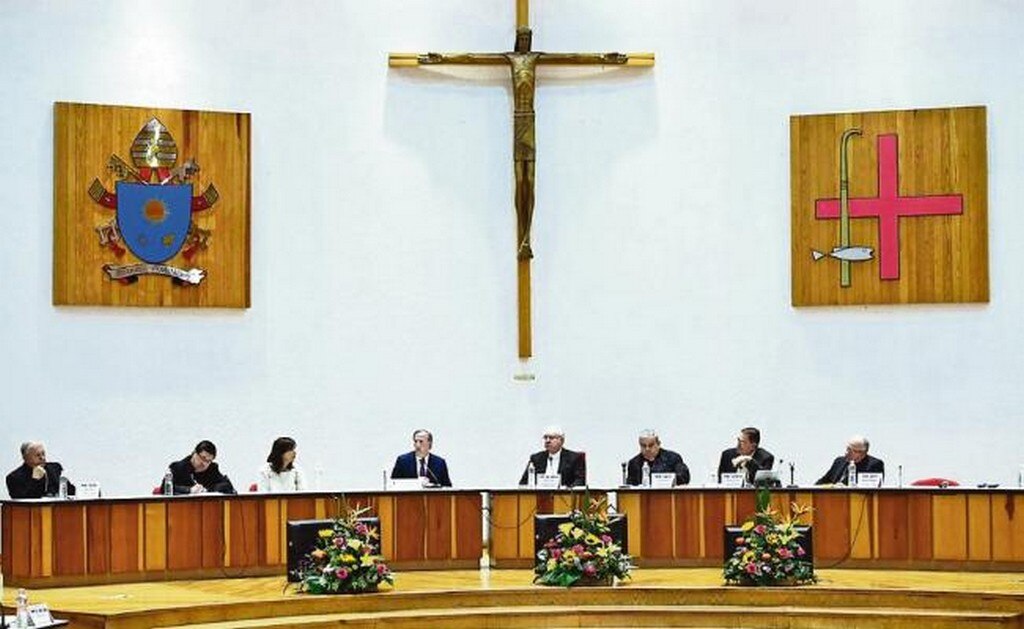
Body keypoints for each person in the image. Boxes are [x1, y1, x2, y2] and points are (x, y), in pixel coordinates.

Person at [417, 28, 631, 261]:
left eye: (528, 38)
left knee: (531, 179)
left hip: (529, 121)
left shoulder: (536, 58)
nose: (525, 40)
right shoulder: (510, 58)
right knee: (520, 179)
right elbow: (470, 58)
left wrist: (604, 58)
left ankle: (527, 237)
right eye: (522, 37)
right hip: (520, 122)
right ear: (517, 40)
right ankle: (523, 237)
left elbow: (573, 58)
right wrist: (441, 58)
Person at [519, 425, 587, 487]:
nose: (547, 441)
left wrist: (566, 489)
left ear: (561, 441)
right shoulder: (536, 458)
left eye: (551, 438)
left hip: (564, 495)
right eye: (545, 438)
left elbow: (580, 481)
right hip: (539, 495)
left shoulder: (574, 458)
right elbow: (523, 482)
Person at [6, 441, 75, 499]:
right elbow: (21, 500)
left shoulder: (54, 468)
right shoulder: (14, 477)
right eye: (38, 455)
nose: (42, 458)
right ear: (25, 458)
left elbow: (71, 492)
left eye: (43, 454)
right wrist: (35, 480)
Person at [165, 440, 236, 494]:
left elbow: (227, 486)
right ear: (194, 453)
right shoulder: (177, 467)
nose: (204, 464)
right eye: (203, 458)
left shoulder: (212, 469)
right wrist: (189, 490)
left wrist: (207, 490)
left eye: (208, 461)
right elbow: (165, 489)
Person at [625, 429, 690, 486]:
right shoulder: (634, 463)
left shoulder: (673, 458)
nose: (647, 449)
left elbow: (684, 478)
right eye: (643, 446)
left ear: (658, 444)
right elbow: (630, 486)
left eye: (651, 445)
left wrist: (667, 480)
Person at [816, 435, 885, 485]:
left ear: (862, 453)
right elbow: (824, 481)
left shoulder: (874, 464)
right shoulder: (839, 461)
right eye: (847, 449)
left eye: (850, 450)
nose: (846, 452)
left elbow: (871, 488)